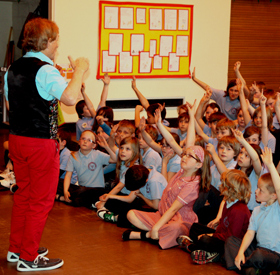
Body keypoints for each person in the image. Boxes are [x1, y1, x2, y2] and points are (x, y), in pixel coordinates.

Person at [4, 18, 89, 271]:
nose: (58, 43)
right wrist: (80, 70)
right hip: (40, 143)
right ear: (48, 41)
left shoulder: (13, 68)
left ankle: (17, 249)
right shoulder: (45, 70)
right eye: (57, 39)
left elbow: (12, 106)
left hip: (17, 140)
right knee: (41, 201)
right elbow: (71, 98)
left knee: (24, 197)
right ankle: (29, 258)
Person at [121, 103, 212, 249]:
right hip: (162, 215)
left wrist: (157, 227)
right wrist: (158, 124)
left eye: (189, 156)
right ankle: (155, 235)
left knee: (174, 228)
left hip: (180, 221)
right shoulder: (184, 170)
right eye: (185, 154)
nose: (184, 157)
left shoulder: (193, 182)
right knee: (131, 214)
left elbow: (174, 209)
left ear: (198, 165)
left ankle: (143, 235)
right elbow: (171, 140)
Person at [177, 169, 251, 266]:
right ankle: (206, 251)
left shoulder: (239, 210)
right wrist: (212, 233)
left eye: (223, 185)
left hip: (230, 244)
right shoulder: (228, 202)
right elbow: (222, 227)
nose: (220, 186)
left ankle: (193, 247)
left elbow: (231, 237)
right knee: (195, 227)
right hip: (222, 236)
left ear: (231, 189)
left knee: (205, 239)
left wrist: (210, 236)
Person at [225, 148, 280, 274]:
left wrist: (270, 165)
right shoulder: (256, 210)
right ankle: (249, 269)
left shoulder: (278, 207)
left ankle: (241, 266)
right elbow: (250, 234)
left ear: (273, 195)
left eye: (261, 190)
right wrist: (240, 253)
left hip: (274, 255)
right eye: (257, 188)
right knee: (231, 241)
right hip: (258, 249)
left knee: (259, 255)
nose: (256, 191)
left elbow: (278, 188)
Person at [63, 130, 117, 207]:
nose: (85, 141)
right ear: (79, 141)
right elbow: (68, 175)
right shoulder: (73, 156)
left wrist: (106, 147)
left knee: (80, 193)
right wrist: (65, 191)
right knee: (60, 184)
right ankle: (91, 203)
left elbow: (115, 160)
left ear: (94, 145)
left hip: (97, 189)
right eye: (83, 139)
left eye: (89, 140)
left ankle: (67, 198)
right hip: (83, 188)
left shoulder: (98, 154)